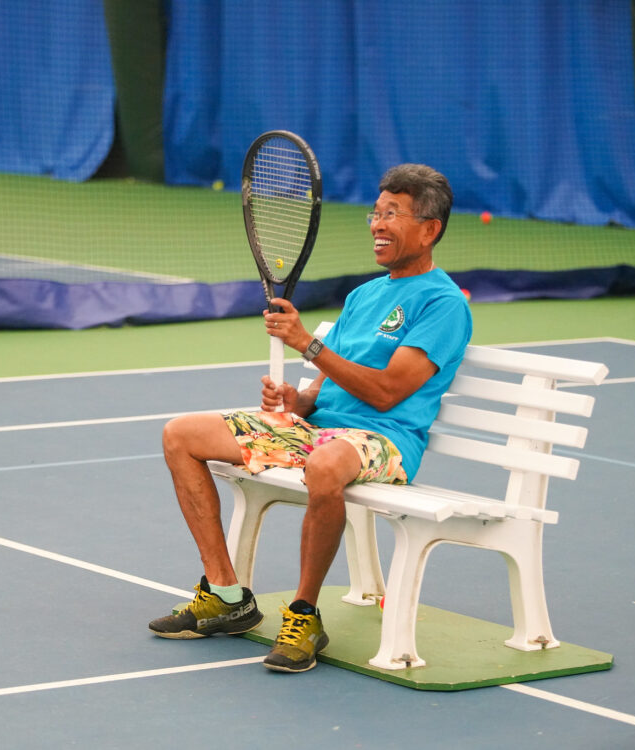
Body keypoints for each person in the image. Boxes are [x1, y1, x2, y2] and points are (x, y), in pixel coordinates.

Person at [149, 164, 473, 673]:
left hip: (382, 441)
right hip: (319, 431)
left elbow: (387, 393)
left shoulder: (443, 304)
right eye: (376, 212)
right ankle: (227, 595)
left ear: (430, 229)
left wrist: (307, 342)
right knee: (181, 435)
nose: (377, 225)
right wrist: (293, 403)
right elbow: (321, 391)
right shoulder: (365, 296)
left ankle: (303, 615)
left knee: (324, 464)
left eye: (394, 214)